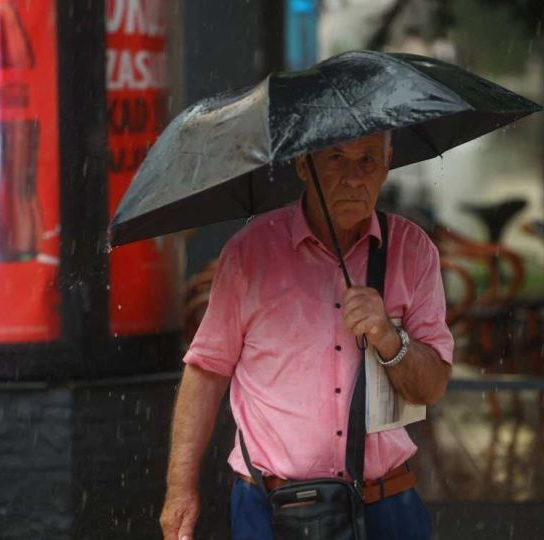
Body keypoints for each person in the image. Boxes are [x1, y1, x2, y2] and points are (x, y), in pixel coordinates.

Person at [160, 131, 454, 540]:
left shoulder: (412, 250)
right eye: (336, 159)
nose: (353, 178)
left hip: (384, 503)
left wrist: (388, 336)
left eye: (368, 161)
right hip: (273, 506)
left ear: (387, 165)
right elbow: (206, 372)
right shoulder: (251, 252)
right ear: (303, 166)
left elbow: (431, 387)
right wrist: (180, 490)